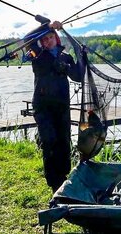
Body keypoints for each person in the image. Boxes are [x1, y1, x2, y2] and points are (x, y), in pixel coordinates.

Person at [31, 21, 83, 193]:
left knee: (63, 141)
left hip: (62, 107)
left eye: (50, 37)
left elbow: (78, 76)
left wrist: (75, 61)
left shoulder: (66, 57)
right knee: (49, 141)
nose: (47, 41)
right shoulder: (36, 55)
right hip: (43, 108)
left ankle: (63, 179)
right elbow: (27, 38)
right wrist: (46, 25)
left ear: (56, 38)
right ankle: (54, 184)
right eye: (44, 39)